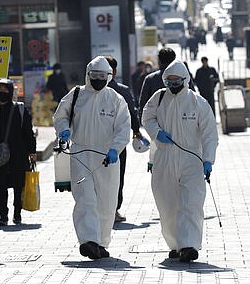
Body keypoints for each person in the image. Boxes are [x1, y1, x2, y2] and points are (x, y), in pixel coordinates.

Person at [53, 56, 131, 260]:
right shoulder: (76, 94)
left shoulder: (115, 99)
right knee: (85, 199)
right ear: (88, 75)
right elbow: (60, 115)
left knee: (106, 203)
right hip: (80, 154)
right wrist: (63, 130)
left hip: (107, 158)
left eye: (102, 76)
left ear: (109, 76)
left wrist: (116, 148)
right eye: (94, 75)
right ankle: (88, 240)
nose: (97, 79)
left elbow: (124, 127)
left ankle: (101, 242)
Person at [142, 60, 218, 262]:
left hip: (191, 159)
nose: (172, 84)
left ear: (185, 80)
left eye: (176, 80)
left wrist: (208, 159)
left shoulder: (197, 102)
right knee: (167, 204)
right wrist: (156, 133)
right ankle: (175, 244)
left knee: (191, 203)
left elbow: (210, 133)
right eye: (169, 80)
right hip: (164, 158)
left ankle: (189, 245)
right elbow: (147, 118)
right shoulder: (158, 99)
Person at [0, 79, 37, 226]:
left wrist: (32, 151)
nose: (2, 94)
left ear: (11, 92)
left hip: (17, 156)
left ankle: (17, 213)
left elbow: (28, 132)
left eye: (5, 91)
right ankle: (3, 215)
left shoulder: (19, 110)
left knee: (18, 186)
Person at [104, 56, 145, 223]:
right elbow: (132, 112)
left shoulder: (88, 91)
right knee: (117, 177)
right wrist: (136, 130)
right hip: (118, 143)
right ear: (115, 72)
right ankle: (113, 209)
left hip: (95, 142)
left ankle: (106, 210)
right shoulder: (122, 90)